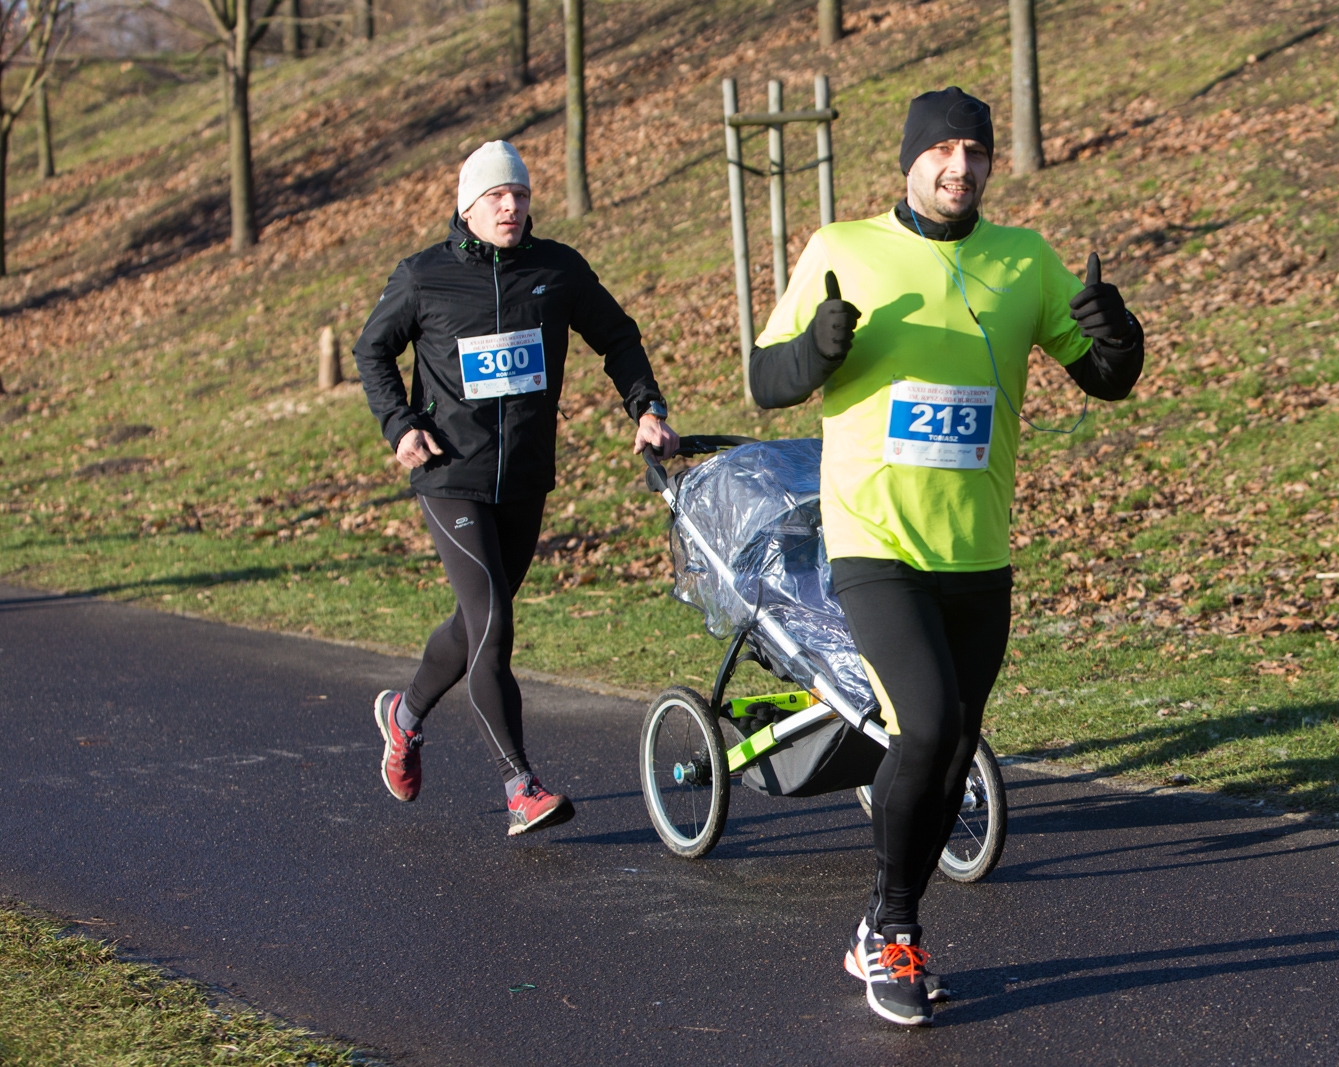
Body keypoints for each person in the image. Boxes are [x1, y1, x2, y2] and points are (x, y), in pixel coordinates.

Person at [748, 87, 1144, 1026]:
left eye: (975, 151)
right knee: (924, 727)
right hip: (874, 539)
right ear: (910, 159)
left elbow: (1105, 380)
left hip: (979, 547)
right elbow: (768, 381)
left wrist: (1118, 333)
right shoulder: (842, 248)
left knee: (955, 744)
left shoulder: (1024, 259)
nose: (958, 167)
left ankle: (882, 925)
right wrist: (817, 347)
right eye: (942, 150)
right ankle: (894, 926)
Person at [354, 140, 678, 836]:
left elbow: (617, 337)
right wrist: (400, 425)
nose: (513, 205)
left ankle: (402, 717)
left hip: (525, 475)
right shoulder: (424, 276)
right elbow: (372, 348)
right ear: (468, 205)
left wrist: (646, 407)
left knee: (475, 623)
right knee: (494, 623)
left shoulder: (556, 269)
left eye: (522, 195)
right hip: (449, 473)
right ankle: (520, 784)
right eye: (499, 196)